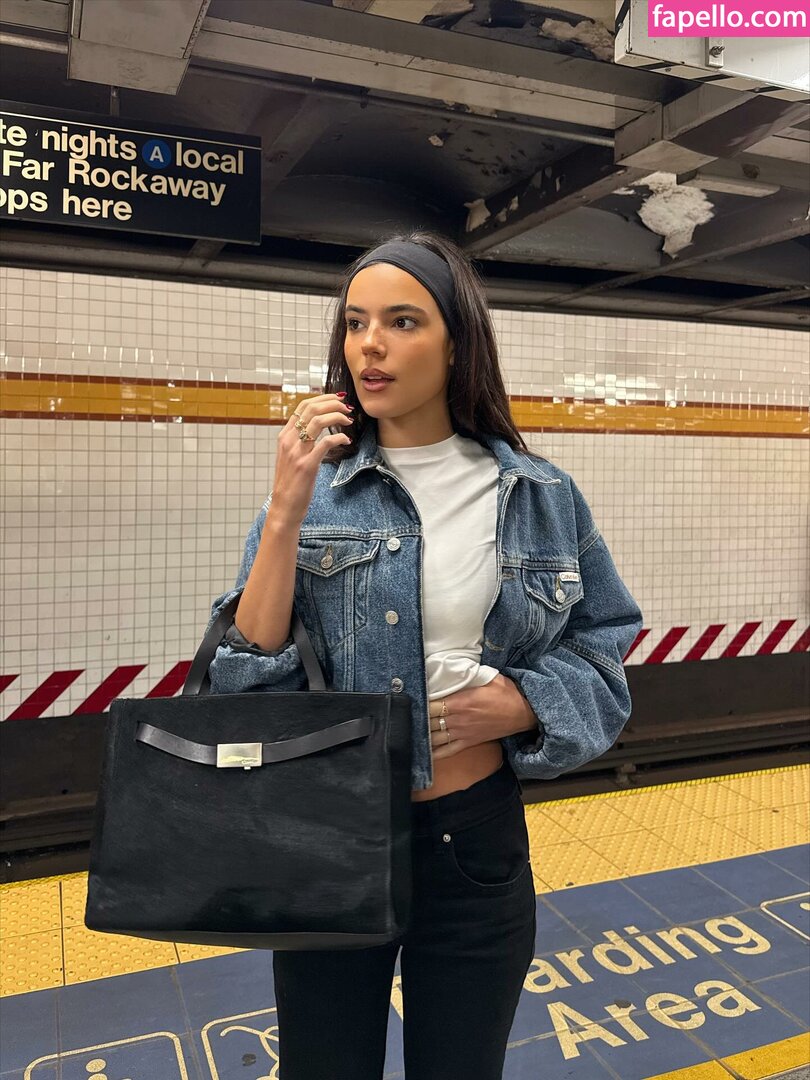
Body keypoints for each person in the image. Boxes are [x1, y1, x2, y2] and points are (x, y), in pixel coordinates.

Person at [206, 231, 643, 1079]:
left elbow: (603, 644)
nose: (370, 344)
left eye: (402, 321)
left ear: (455, 344)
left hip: (472, 843)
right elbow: (247, 674)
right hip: (331, 837)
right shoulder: (314, 491)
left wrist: (524, 703)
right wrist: (287, 505)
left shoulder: (540, 495)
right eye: (356, 322)